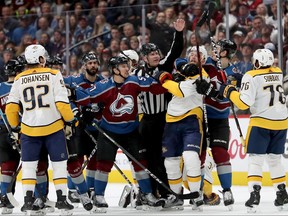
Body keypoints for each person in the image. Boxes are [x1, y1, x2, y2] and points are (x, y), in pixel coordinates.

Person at [73, 56, 168, 211]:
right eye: (123, 66)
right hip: (109, 130)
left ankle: (146, 194)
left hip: (131, 130)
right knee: (103, 164)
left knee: (140, 163)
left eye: (127, 66)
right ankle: (98, 195)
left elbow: (155, 87)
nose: (127, 68)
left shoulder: (133, 80)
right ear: (115, 70)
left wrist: (168, 80)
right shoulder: (104, 86)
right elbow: (83, 96)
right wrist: (85, 109)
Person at [5, 44, 76, 215]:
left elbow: (11, 107)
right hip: (53, 128)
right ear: (41, 59)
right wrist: (70, 121)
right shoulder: (53, 74)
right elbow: (62, 103)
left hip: (29, 130)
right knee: (59, 166)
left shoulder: (19, 78)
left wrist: (15, 127)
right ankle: (61, 201)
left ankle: (28, 201)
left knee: (29, 167)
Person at [218, 48, 288, 213]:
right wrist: (242, 81)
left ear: (257, 62)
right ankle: (282, 193)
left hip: (262, 122)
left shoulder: (251, 75)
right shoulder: (277, 72)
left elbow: (243, 103)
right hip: (282, 122)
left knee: (256, 160)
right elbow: (262, 83)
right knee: (274, 160)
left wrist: (229, 91)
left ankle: (254, 194)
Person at [135, 18, 185, 201]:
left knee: (166, 157)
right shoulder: (136, 74)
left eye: (157, 53)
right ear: (144, 58)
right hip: (147, 121)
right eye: (152, 54)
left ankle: (168, 192)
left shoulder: (164, 66)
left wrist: (178, 33)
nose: (156, 56)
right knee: (149, 158)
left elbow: (175, 50)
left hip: (164, 120)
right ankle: (152, 192)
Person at [194, 39, 241, 209]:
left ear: (225, 52)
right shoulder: (207, 66)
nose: (214, 49)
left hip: (220, 119)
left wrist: (211, 91)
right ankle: (198, 191)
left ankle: (227, 190)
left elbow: (227, 95)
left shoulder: (234, 73)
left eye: (218, 48)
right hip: (202, 117)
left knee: (221, 153)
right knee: (199, 156)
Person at [158, 61, 209, 211]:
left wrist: (164, 79)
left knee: (191, 157)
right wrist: (175, 77)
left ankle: (196, 194)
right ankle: (176, 196)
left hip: (191, 120)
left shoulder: (201, 77)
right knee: (171, 162)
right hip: (171, 121)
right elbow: (179, 71)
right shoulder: (182, 76)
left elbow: (179, 90)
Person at [175, 45, 221, 206]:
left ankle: (204, 192)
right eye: (191, 54)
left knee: (197, 161)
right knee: (175, 161)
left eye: (197, 55)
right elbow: (177, 61)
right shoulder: (179, 71)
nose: (193, 57)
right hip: (174, 124)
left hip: (195, 126)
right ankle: (178, 192)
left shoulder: (205, 74)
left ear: (203, 59)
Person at [63, 51, 103, 211]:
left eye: (95, 62)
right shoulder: (74, 81)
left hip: (95, 126)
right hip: (79, 126)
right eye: (90, 63)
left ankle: (92, 189)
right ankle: (73, 190)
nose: (93, 65)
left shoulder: (102, 82)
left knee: (94, 160)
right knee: (76, 158)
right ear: (84, 66)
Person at [0, 59, 24, 214]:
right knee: (15, 165)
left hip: (3, 131)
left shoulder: (0, 87)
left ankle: (4, 198)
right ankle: (6, 197)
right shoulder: (22, 86)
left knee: (7, 166)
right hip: (21, 130)